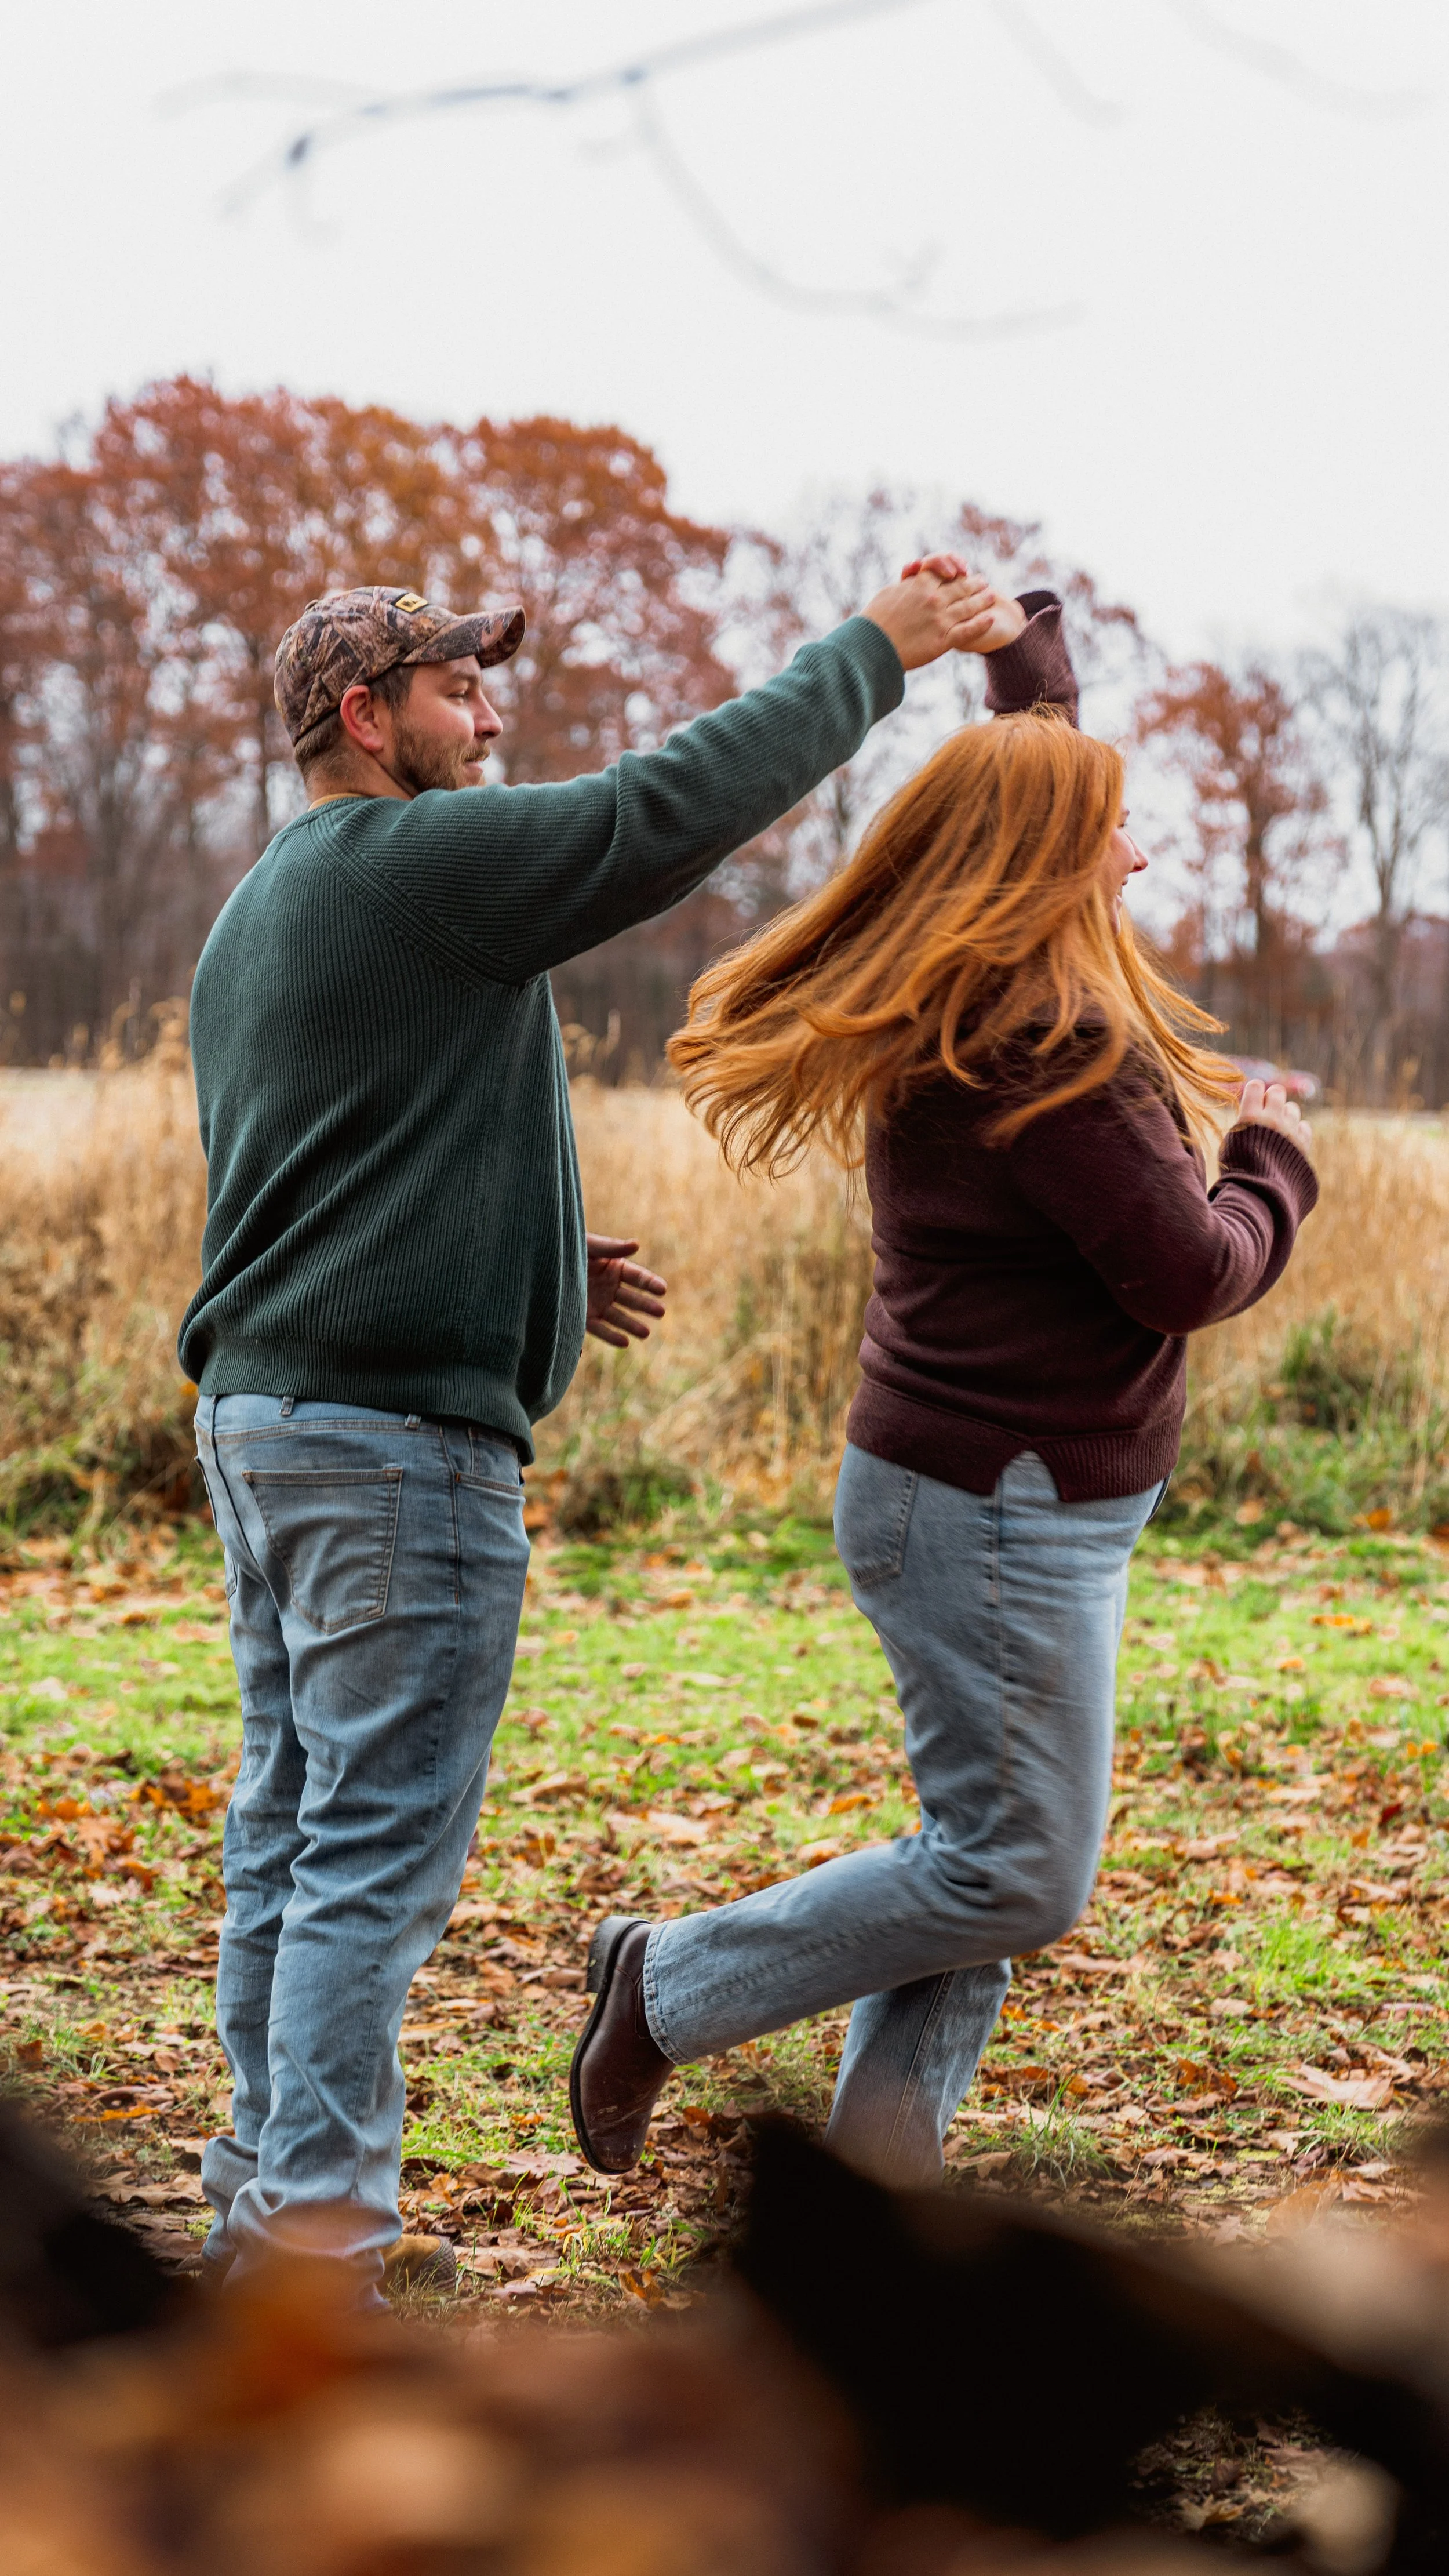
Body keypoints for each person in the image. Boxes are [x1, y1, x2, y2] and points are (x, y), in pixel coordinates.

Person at [180, 558, 1016, 2301]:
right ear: (365, 715)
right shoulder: (415, 863)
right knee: (368, 1860)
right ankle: (317, 2251)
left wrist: (541, 1263)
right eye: (457, 691)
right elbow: (661, 814)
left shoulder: (264, 905)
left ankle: (264, 2201)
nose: (489, 717)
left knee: (288, 1830)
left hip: (270, 1427)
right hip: (395, 1453)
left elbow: (320, 1162)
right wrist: (880, 652)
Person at [568, 598, 1319, 2188]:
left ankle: (874, 2201)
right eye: (1112, 836)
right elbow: (1191, 1274)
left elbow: (1027, 777)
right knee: (1017, 1875)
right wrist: (1270, 1158)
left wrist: (1025, 674)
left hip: (994, 1497)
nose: (1133, 860)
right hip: (998, 1508)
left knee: (972, 1862)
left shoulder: (989, 988)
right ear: (1047, 859)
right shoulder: (1046, 1038)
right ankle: (666, 1984)